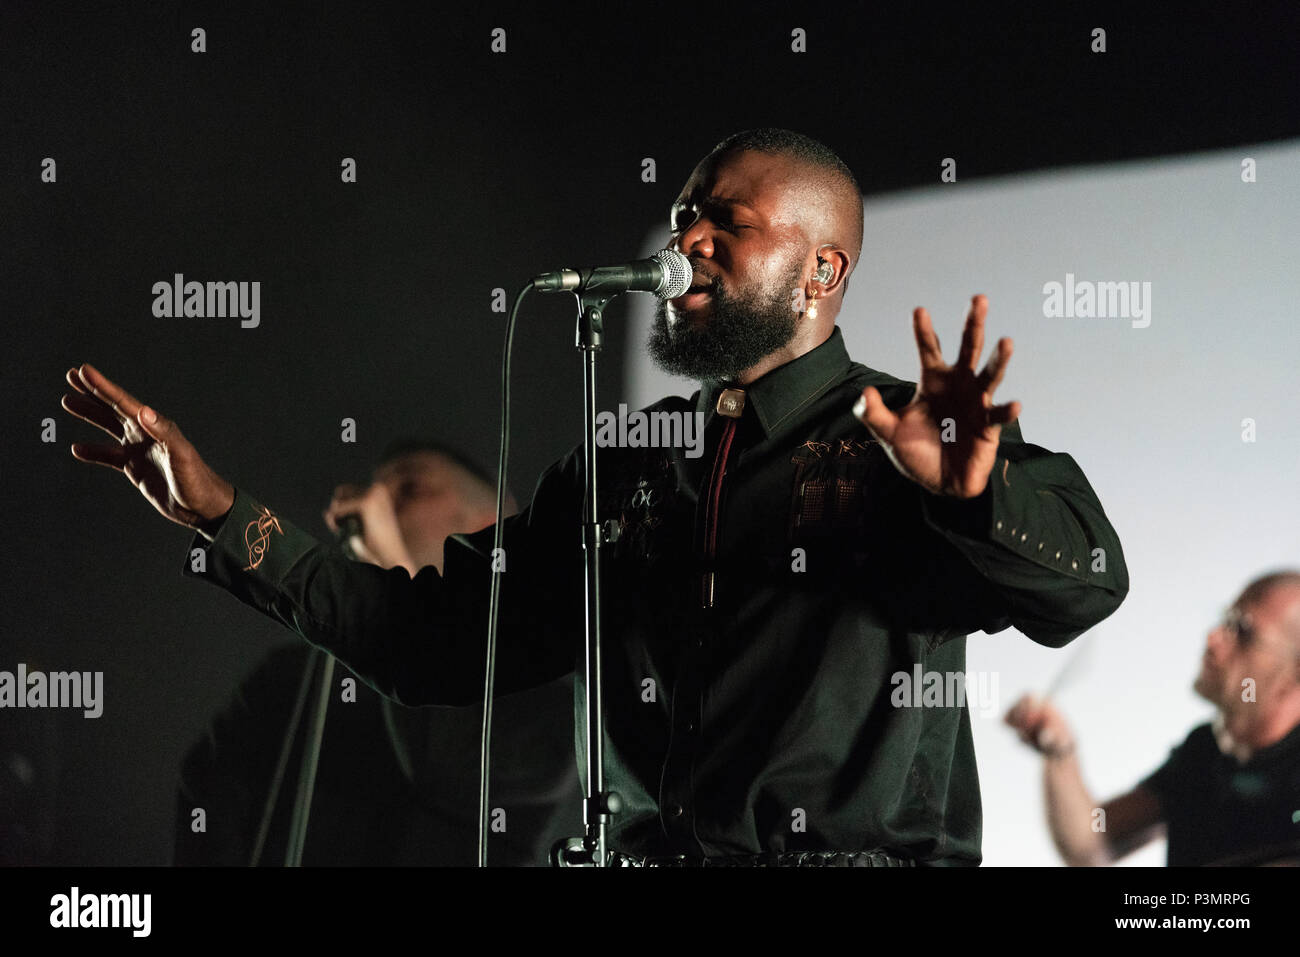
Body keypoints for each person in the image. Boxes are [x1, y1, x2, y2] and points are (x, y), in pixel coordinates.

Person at [62, 127, 1129, 866]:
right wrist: (217, 512)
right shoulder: (626, 466)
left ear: (820, 271)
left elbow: (1086, 583)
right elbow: (430, 640)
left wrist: (973, 499)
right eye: (682, 215)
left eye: (728, 222)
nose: (688, 240)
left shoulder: (906, 443)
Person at [173, 440, 583, 865]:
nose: (375, 502)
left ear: (491, 524)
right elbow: (210, 780)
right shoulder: (292, 675)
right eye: (376, 488)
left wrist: (393, 569)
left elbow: (440, 767)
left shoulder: (553, 694)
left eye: (409, 489)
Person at [1006, 571, 1300, 866]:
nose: (1213, 637)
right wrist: (1060, 752)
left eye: (1243, 630)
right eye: (1226, 620)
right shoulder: (1202, 753)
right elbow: (1090, 843)